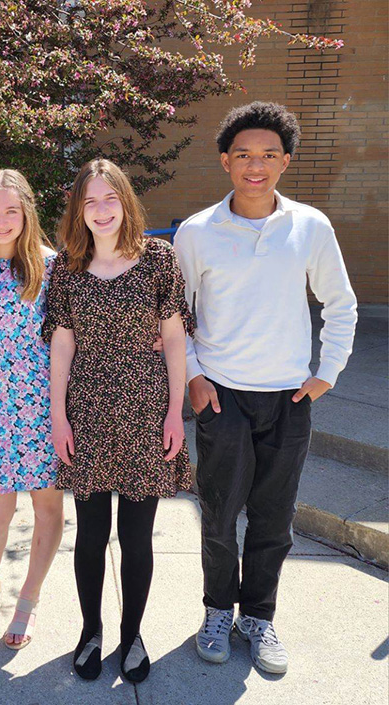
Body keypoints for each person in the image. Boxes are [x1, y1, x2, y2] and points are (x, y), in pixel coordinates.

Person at [174, 101, 357, 674]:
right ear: (226, 160)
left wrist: (326, 373)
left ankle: (259, 616)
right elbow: (177, 316)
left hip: (289, 399)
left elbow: (341, 303)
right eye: (245, 155)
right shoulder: (197, 231)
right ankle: (217, 612)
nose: (257, 166)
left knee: (274, 519)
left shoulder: (310, 227)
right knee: (220, 516)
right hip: (222, 397)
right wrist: (197, 380)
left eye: (269, 156)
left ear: (285, 162)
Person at [45, 158, 193, 683]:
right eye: (90, 201)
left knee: (137, 537)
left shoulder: (157, 258)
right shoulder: (66, 265)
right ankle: (91, 631)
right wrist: (58, 417)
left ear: (125, 202)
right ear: (78, 210)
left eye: (111, 199)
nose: (101, 211)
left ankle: (132, 635)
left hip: (146, 411)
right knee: (89, 535)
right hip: (85, 412)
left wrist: (176, 412)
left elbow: (174, 338)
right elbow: (61, 343)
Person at [0, 169, 63, 650]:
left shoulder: (52, 266)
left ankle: (29, 598)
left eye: (11, 211)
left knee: (47, 507)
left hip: (44, 402)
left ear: (27, 213)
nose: (1, 221)